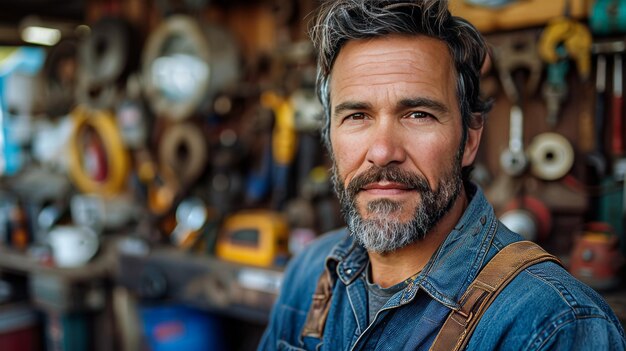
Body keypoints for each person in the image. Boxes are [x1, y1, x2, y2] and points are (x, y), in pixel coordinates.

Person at [258, 0, 626, 350]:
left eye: (418, 114)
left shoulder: (552, 325)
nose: (383, 151)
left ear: (469, 140)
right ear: (329, 137)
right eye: (357, 116)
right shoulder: (310, 273)